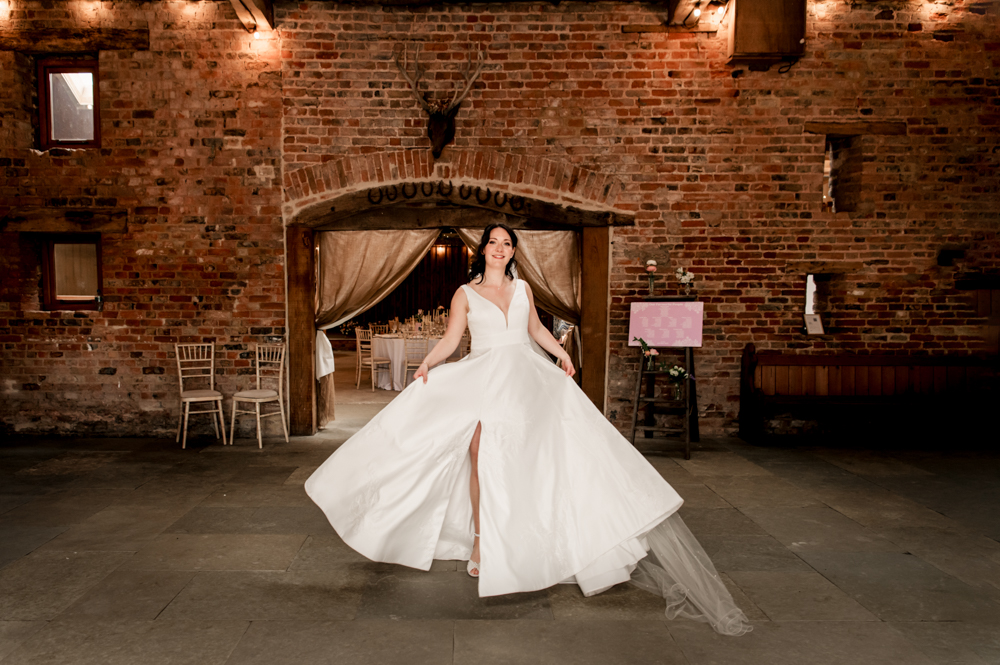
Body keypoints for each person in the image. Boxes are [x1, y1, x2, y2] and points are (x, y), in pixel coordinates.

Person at [305, 224, 750, 636]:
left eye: (506, 243)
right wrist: (427, 362)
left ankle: (527, 534)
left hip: (524, 379)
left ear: (513, 251)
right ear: (483, 250)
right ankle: (481, 541)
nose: (499, 249)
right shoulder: (464, 292)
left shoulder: (523, 288)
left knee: (528, 457)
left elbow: (535, 327)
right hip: (480, 377)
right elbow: (452, 338)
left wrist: (561, 353)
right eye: (493, 242)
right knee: (478, 453)